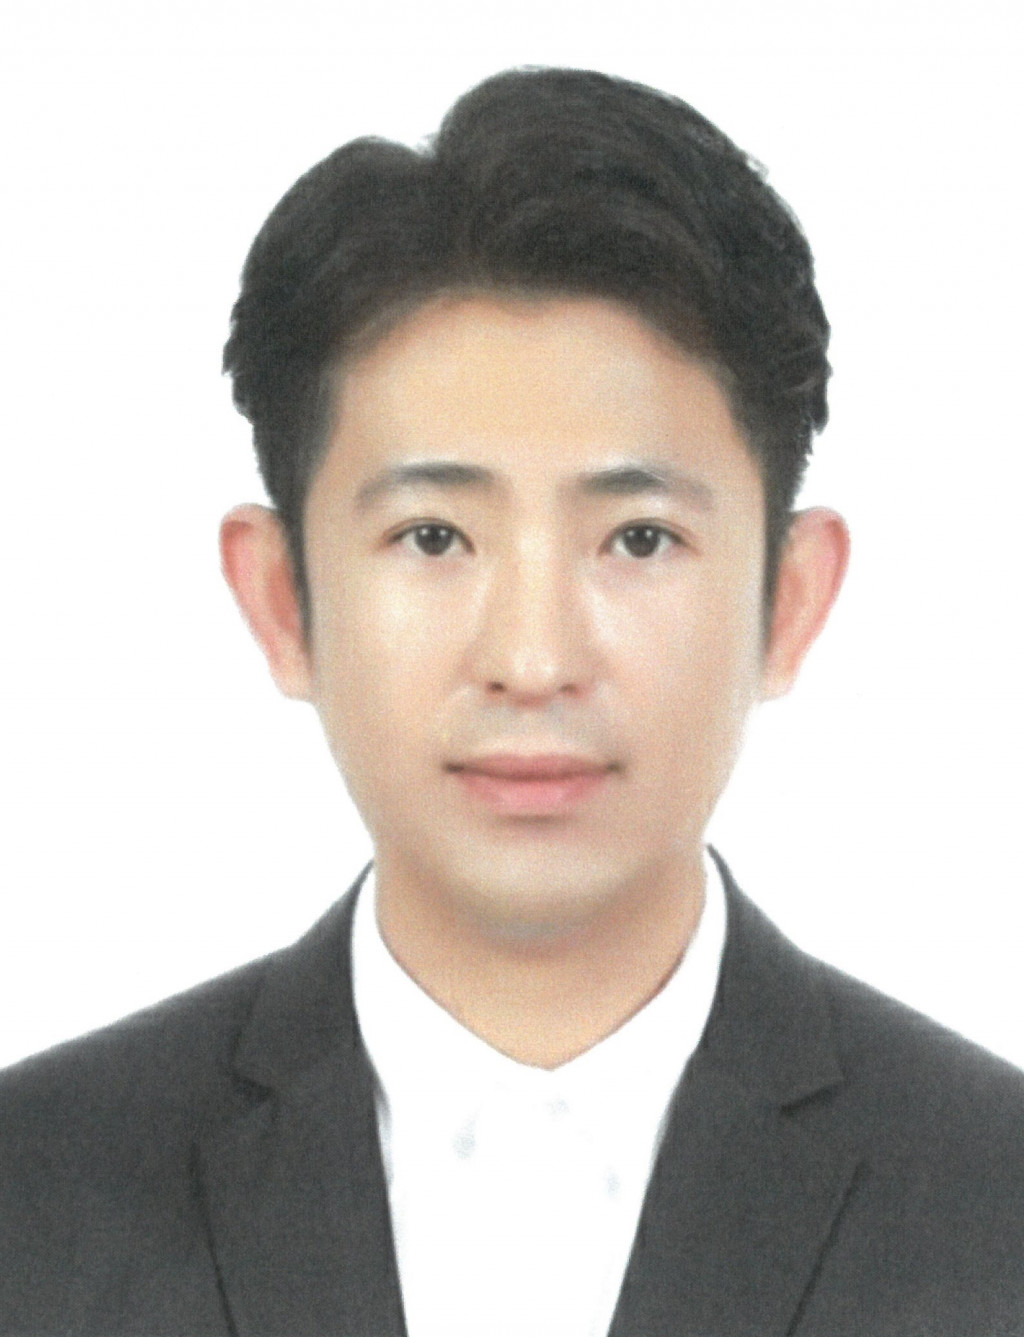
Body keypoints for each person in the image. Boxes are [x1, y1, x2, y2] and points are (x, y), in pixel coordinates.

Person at [1, 65, 1021, 1337]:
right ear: (281, 598)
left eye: (638, 538)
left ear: (790, 599)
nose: (534, 660)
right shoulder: (33, 1195)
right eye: (433, 535)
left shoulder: (995, 1204)